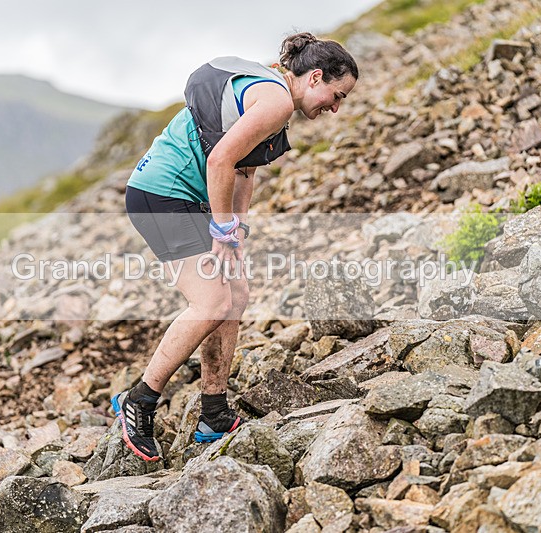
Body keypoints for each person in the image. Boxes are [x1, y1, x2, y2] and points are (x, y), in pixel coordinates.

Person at [112, 32, 359, 461]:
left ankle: (214, 410)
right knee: (211, 301)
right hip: (163, 195)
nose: (335, 107)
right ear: (315, 76)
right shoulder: (278, 101)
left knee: (235, 293)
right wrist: (222, 229)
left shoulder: (270, 94)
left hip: (190, 199)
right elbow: (220, 160)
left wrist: (235, 234)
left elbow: (244, 171)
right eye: (336, 95)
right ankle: (140, 400)